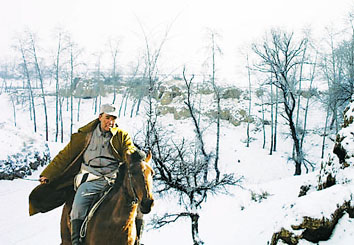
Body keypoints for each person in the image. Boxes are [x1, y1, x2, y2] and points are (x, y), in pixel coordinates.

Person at [29, 104, 144, 245]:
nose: (110, 122)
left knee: (137, 203)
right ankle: (76, 241)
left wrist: (135, 155)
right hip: (91, 178)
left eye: (113, 118)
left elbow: (129, 149)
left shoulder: (121, 136)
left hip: (114, 180)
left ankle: (137, 240)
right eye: (107, 118)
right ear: (100, 116)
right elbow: (64, 156)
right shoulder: (85, 135)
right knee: (78, 204)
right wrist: (48, 174)